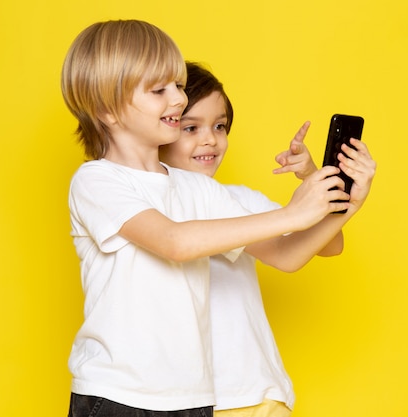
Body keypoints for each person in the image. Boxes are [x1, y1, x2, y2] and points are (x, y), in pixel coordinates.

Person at [60, 20, 351, 417]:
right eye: (159, 90)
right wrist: (292, 214)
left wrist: (346, 202)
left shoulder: (200, 190)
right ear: (106, 110)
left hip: (193, 399)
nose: (178, 99)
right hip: (118, 395)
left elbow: (286, 255)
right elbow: (175, 242)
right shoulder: (96, 181)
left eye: (178, 85)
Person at [159, 62, 376, 416]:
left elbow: (328, 246)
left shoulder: (238, 197)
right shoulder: (160, 204)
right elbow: (287, 256)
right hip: (204, 398)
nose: (210, 139)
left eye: (219, 126)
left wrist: (318, 183)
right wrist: (343, 205)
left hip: (256, 392)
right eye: (191, 127)